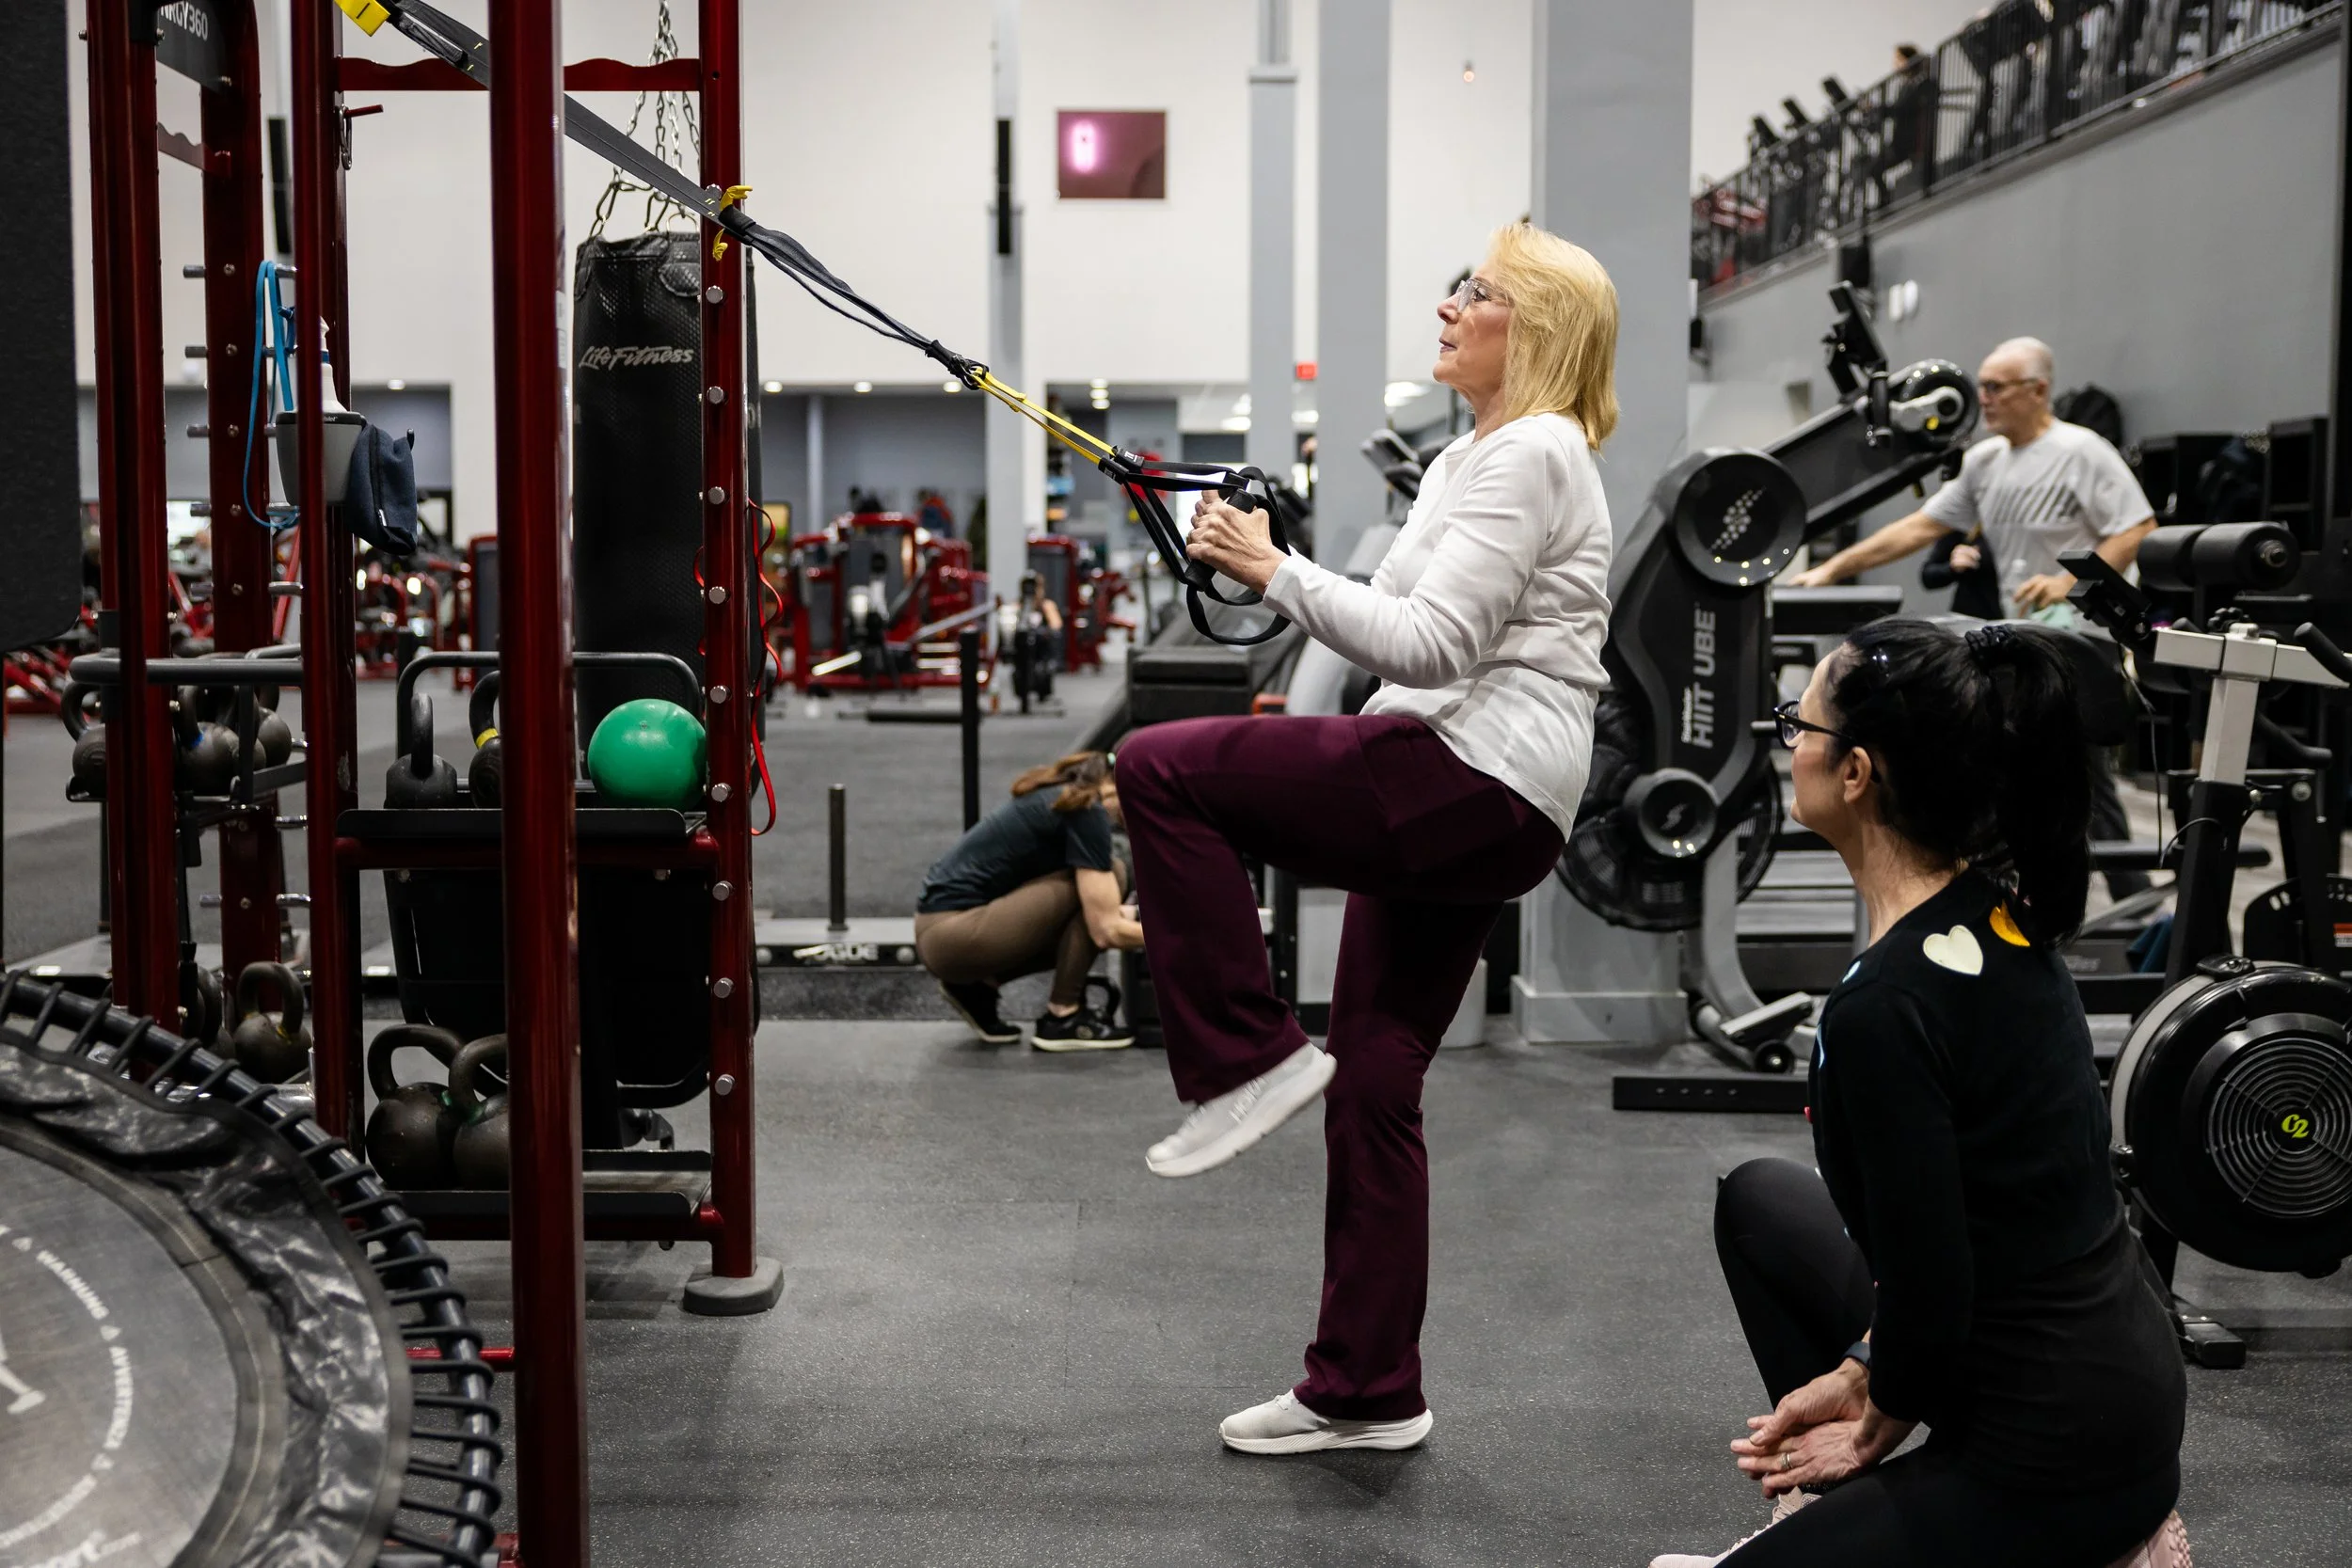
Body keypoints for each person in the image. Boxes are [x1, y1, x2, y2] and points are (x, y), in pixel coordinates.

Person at [1113, 221, 1615, 1455]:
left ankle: (1245, 1054)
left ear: (1534, 330)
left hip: (1475, 771)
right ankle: (1368, 1384)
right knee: (1376, 1082)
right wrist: (1276, 595)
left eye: (1478, 292)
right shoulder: (1471, 457)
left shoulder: (1533, 453)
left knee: (1157, 766)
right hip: (1464, 776)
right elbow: (1395, 615)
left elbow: (1436, 650)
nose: (1449, 306)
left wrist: (1276, 568)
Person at [1647, 616, 2188, 1568]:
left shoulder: (1888, 1007)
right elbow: (1944, 1247)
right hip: (2090, 1367)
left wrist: (1875, 1414)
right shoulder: (1988, 910)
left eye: (1797, 724)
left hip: (2057, 1449)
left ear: (1855, 772)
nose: (1790, 745)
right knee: (1761, 1201)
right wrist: (1862, 1364)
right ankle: (1869, 1518)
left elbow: (1933, 1285)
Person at [1790, 336, 2154, 895]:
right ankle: (2016, 901)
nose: (1982, 397)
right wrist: (1830, 570)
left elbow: (2137, 527)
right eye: (1981, 385)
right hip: (2025, 638)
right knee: (2012, 770)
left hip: (2080, 636)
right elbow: (1919, 528)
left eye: (1996, 387)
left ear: (2038, 391)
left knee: (2080, 776)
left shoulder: (2082, 451)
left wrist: (2067, 583)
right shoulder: (1985, 461)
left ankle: (2138, 909)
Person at [914, 751, 1143, 1050]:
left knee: (1098, 893)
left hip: (942, 933)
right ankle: (1064, 1017)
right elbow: (1105, 930)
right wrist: (1185, 936)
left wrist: (1132, 916)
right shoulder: (1087, 809)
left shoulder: (1065, 795)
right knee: (1112, 873)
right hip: (954, 936)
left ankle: (979, 988)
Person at [1918, 526, 2000, 619]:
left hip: (2014, 619)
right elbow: (1928, 575)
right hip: (1972, 620)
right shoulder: (1970, 521)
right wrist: (1953, 567)